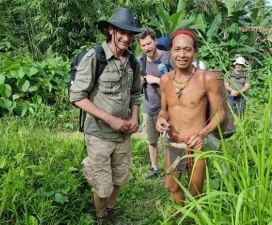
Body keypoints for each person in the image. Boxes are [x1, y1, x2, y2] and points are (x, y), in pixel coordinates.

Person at [69, 7, 142, 221]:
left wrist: (135, 117)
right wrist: (110, 119)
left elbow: (136, 93)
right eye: (121, 32)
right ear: (111, 30)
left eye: (130, 34)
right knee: (102, 186)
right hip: (99, 135)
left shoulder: (133, 62)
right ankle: (101, 217)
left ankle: (110, 211)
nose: (126, 38)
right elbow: (77, 96)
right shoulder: (95, 57)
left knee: (119, 178)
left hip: (124, 135)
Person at [155, 29, 225, 205]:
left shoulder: (206, 79)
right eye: (177, 49)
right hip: (174, 143)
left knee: (195, 193)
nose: (182, 55)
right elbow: (164, 110)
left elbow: (220, 113)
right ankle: (181, 215)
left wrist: (202, 134)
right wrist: (160, 119)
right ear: (170, 51)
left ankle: (194, 219)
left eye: (187, 49)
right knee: (172, 186)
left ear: (195, 52)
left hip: (196, 146)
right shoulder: (165, 80)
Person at [137, 28, 175, 178]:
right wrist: (139, 82)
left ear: (156, 41)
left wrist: (157, 80)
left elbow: (178, 82)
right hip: (148, 107)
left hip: (167, 108)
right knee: (151, 141)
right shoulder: (141, 61)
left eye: (149, 43)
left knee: (168, 142)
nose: (147, 48)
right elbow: (136, 85)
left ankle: (170, 170)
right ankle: (154, 168)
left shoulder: (168, 58)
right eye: (143, 45)